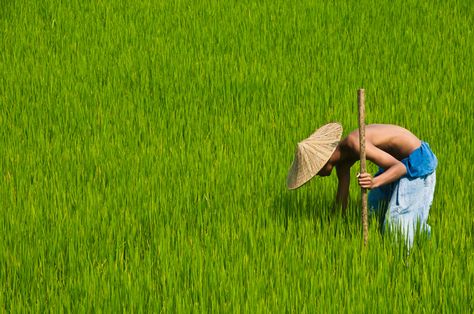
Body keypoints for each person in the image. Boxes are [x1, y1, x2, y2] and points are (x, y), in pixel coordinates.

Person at [287, 123, 438, 247]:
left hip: (415, 164)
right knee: (374, 212)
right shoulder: (342, 161)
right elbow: (341, 203)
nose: (317, 175)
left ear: (323, 161)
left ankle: (416, 256)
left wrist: (374, 182)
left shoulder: (355, 143)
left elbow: (400, 168)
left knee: (395, 228)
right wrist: (332, 227)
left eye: (315, 171)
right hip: (393, 165)